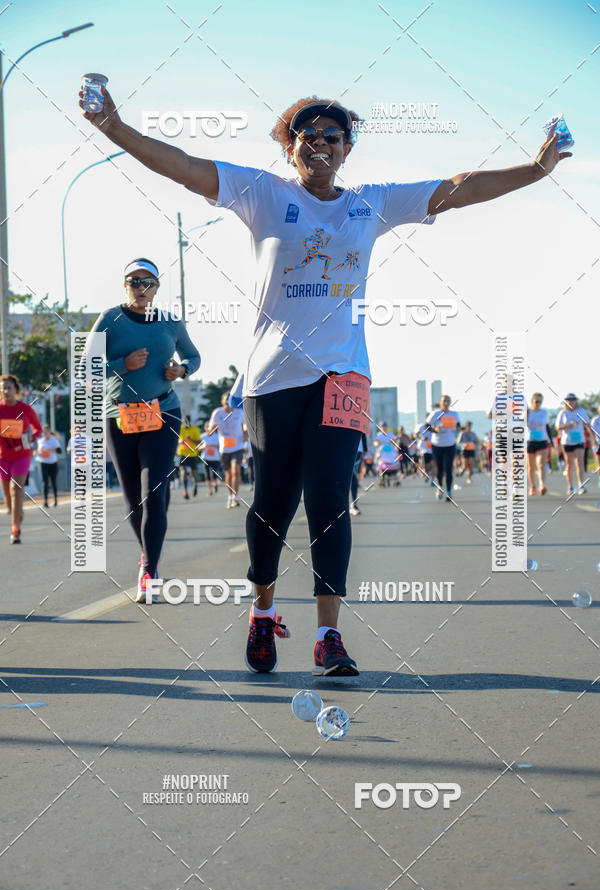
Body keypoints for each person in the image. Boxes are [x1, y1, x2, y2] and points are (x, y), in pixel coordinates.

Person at [82, 85, 571, 676]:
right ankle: (262, 613)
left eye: (331, 137)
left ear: (347, 150)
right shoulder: (261, 192)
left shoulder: (372, 203)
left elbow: (459, 187)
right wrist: (113, 126)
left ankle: (327, 636)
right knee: (271, 505)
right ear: (289, 147)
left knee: (330, 503)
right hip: (272, 378)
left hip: (344, 377)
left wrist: (537, 168)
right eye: (306, 135)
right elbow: (184, 167)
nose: (318, 144)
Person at [87, 258, 200, 601]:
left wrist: (180, 371)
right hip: (119, 416)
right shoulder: (110, 319)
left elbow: (194, 357)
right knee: (134, 501)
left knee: (154, 492)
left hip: (163, 411)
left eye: (147, 282)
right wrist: (123, 364)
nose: (141, 288)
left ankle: (149, 570)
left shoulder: (169, 321)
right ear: (125, 285)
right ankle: (147, 554)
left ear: (157, 287)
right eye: (134, 281)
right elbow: (86, 364)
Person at [0, 374, 42, 542]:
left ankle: (15, 529)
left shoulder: (25, 409)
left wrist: (31, 437)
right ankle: (16, 514)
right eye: (2, 388)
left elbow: (37, 428)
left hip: (22, 454)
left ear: (15, 390)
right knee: (7, 497)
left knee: (16, 489)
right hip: (3, 456)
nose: (5, 391)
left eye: (8, 387)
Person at [207, 392, 247, 509]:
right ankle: (230, 496)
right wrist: (212, 429)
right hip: (224, 448)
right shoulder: (217, 413)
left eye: (230, 403)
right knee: (228, 473)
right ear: (222, 403)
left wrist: (245, 433)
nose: (228, 406)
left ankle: (235, 496)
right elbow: (210, 430)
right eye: (226, 403)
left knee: (236, 470)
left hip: (238, 446)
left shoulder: (239, 412)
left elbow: (245, 425)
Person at [555, 393, 593, 496]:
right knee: (569, 464)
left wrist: (593, 438)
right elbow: (557, 427)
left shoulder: (580, 411)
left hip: (579, 441)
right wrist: (567, 425)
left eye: (573, 400)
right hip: (567, 442)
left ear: (576, 401)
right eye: (568, 400)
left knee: (580, 463)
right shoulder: (562, 413)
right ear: (565, 401)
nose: (571, 401)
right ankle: (570, 486)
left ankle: (581, 485)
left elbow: (588, 425)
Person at [427, 395, 460, 501]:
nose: (446, 402)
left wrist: (458, 428)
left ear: (450, 402)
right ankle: (440, 487)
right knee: (440, 469)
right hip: (437, 445)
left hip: (450, 444)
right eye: (444, 400)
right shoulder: (435, 413)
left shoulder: (454, 414)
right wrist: (435, 430)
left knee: (448, 468)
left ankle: (449, 492)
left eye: (447, 400)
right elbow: (426, 426)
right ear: (440, 403)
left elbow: (458, 426)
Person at [526, 393, 550, 496]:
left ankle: (541, 485)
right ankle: (532, 486)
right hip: (530, 441)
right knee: (531, 466)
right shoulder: (527, 412)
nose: (538, 403)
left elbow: (547, 427)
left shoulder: (544, 412)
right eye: (536, 401)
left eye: (540, 401)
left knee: (541, 464)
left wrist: (551, 442)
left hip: (542, 441)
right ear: (532, 401)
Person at [34, 424, 61, 507]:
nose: (45, 433)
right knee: (44, 482)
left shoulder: (53, 440)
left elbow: (60, 451)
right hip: (43, 463)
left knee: (53, 482)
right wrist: (36, 452)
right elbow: (35, 451)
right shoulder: (40, 441)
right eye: (43, 432)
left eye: (46, 432)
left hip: (53, 463)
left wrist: (51, 449)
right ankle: (45, 501)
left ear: (49, 432)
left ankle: (55, 500)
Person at [177, 415, 202, 499]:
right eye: (184, 421)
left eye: (187, 421)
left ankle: (195, 485)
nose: (186, 422)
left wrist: (191, 439)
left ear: (190, 421)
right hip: (182, 453)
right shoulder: (179, 429)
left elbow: (199, 442)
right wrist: (180, 441)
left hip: (192, 453)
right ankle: (185, 491)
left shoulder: (195, 429)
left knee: (193, 472)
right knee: (182, 471)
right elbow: (175, 439)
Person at [197, 422, 221, 495]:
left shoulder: (217, 436)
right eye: (207, 427)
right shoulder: (202, 436)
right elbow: (198, 448)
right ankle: (210, 490)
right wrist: (203, 446)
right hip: (205, 458)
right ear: (205, 428)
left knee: (214, 474)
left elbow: (221, 447)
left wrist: (212, 445)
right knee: (207, 474)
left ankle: (215, 484)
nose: (208, 428)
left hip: (215, 458)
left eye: (209, 427)